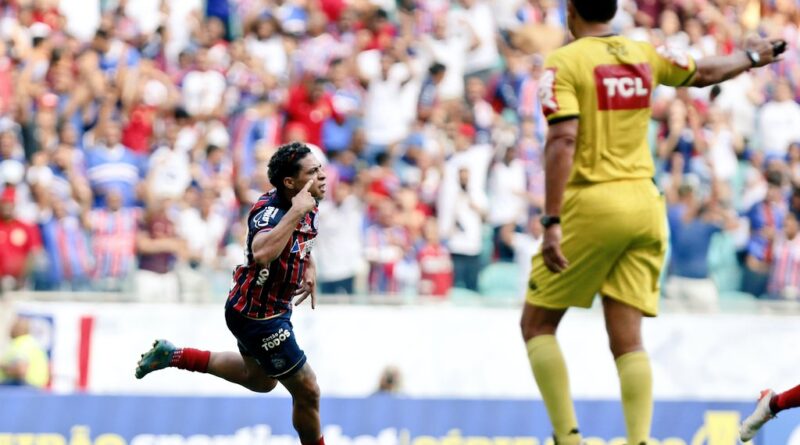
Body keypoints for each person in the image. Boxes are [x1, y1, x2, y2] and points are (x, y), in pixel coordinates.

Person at [518, 1, 785, 444]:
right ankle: (640, 441)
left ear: (570, 14)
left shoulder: (564, 62)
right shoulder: (643, 52)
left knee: (537, 326)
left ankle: (568, 439)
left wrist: (551, 221)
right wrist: (752, 57)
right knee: (628, 340)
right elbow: (703, 72)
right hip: (644, 204)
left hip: (592, 203)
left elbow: (563, 138)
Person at [135, 142, 327, 445]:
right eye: (313, 171)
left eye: (320, 168)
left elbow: (300, 236)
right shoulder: (272, 213)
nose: (323, 176)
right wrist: (296, 214)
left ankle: (173, 355)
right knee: (307, 388)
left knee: (261, 381)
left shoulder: (306, 201)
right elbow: (262, 251)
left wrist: (309, 265)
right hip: (260, 316)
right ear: (290, 183)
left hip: (261, 307)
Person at [0, 316, 49, 388]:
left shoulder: (21, 344)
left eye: (12, 326)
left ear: (18, 329)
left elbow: (21, 370)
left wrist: (3, 367)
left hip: (23, 386)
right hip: (36, 388)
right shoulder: (32, 343)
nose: (10, 330)